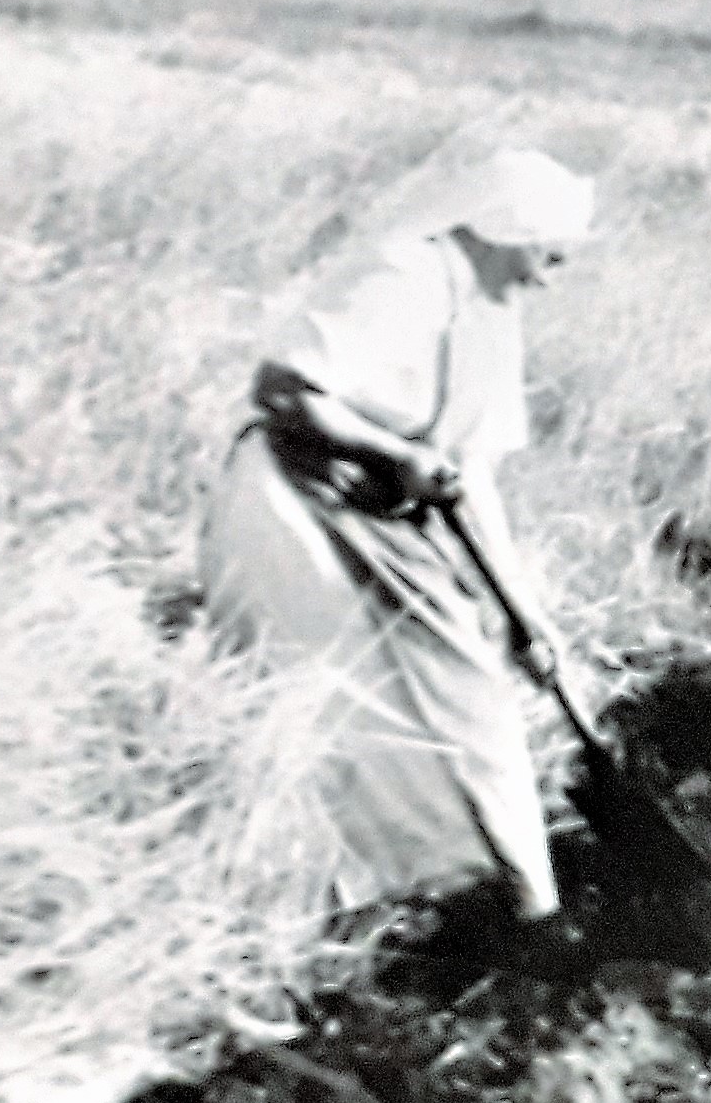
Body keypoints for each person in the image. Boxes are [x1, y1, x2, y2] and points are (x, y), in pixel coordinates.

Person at [198, 143, 592, 931]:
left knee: (472, 690)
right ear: (508, 229)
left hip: (381, 518)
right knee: (347, 699)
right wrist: (396, 455)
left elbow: (471, 475)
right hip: (295, 506)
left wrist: (523, 615)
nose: (553, 275)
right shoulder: (405, 276)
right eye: (550, 253)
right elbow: (283, 390)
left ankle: (504, 901)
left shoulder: (489, 313)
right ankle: (344, 901)